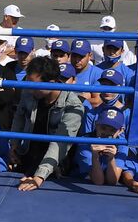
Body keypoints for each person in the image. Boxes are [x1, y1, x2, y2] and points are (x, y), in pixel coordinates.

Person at [9, 56, 84, 192]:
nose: (30, 89)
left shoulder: (73, 105)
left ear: (51, 82)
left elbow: (60, 143)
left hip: (55, 167)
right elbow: (19, 116)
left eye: (35, 86)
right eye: (29, 84)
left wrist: (39, 177)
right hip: (27, 159)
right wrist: (13, 146)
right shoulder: (29, 91)